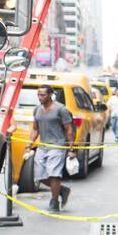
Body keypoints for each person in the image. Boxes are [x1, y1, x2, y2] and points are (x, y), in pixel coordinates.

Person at [25, 85, 74, 213]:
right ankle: (62, 190)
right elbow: (35, 129)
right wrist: (29, 144)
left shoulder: (61, 109)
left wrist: (71, 149)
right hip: (43, 146)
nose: (40, 97)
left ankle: (54, 202)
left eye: (43, 95)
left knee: (54, 174)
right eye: (38, 95)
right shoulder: (37, 110)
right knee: (39, 175)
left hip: (57, 146)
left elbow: (69, 129)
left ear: (50, 94)